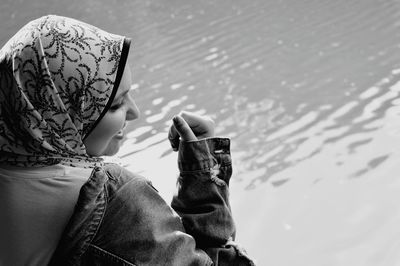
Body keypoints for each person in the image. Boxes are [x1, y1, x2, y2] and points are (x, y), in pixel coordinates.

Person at [0, 15, 255, 265]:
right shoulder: (113, 197)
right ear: (58, 113)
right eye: (116, 105)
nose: (135, 112)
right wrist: (204, 168)